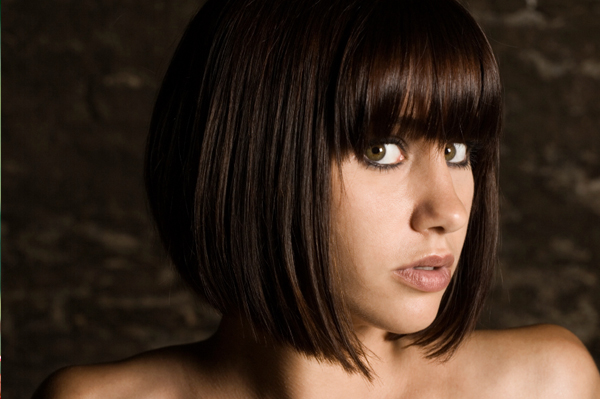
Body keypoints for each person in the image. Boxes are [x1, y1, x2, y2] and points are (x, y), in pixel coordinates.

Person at [33, 0, 600, 397]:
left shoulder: (543, 385)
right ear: (253, 161)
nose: (449, 211)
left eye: (456, 149)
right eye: (381, 150)